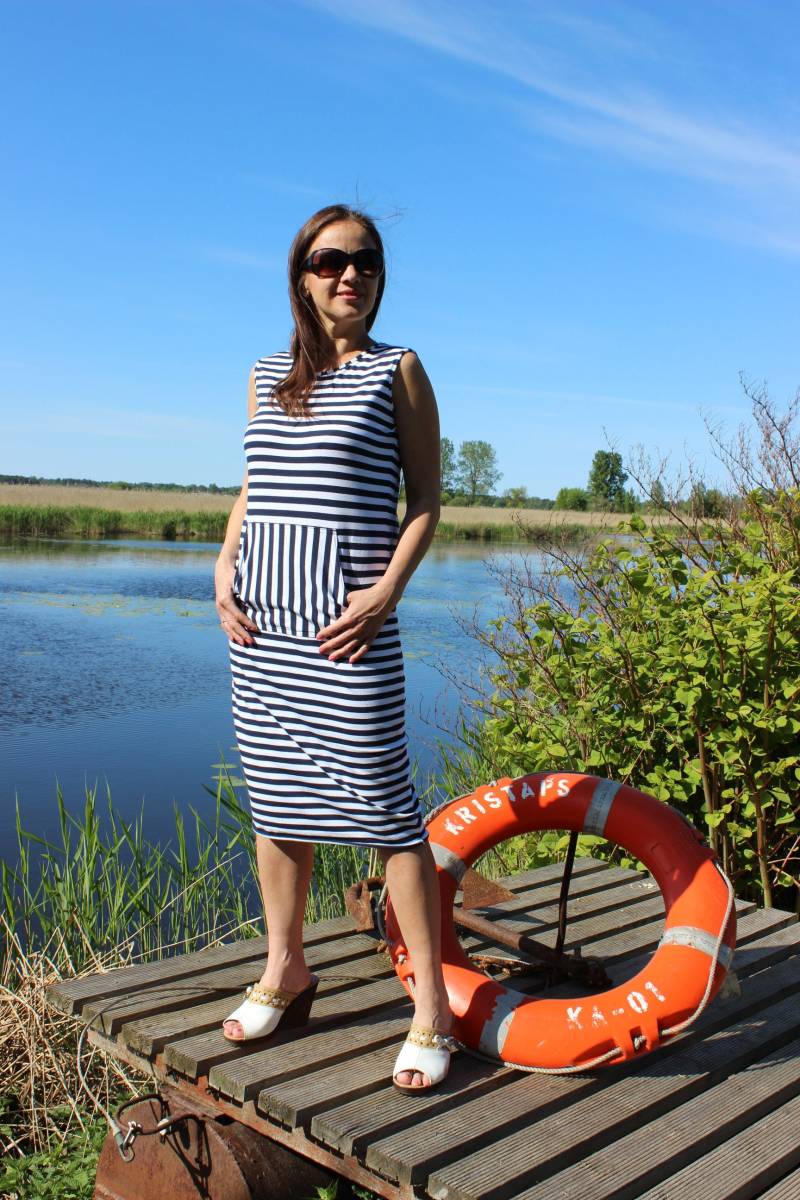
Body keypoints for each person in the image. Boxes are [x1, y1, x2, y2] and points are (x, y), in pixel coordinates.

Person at [213, 204, 456, 1090]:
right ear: (301, 275)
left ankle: (430, 1008)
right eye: (328, 261)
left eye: (364, 261)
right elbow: (254, 487)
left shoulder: (401, 371)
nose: (347, 274)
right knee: (275, 805)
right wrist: (222, 563)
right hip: (261, 626)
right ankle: (287, 968)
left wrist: (387, 592)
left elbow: (425, 499)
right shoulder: (264, 373)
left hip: (346, 631)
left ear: (380, 277)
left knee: (389, 813)